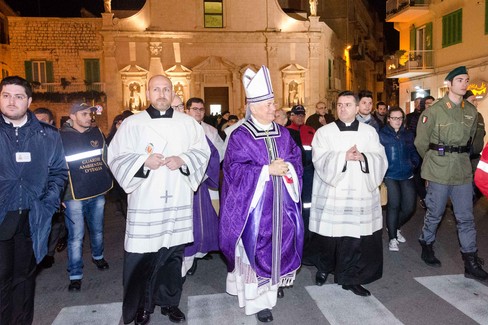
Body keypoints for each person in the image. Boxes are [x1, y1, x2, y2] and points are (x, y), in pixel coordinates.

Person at [108, 75, 210, 325]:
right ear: (147, 92)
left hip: (177, 198)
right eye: (156, 89)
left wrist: (183, 160)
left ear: (173, 91)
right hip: (146, 200)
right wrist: (143, 162)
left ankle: (169, 303)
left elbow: (202, 151)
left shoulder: (188, 124)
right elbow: (115, 157)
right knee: (142, 257)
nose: (161, 93)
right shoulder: (133, 124)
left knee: (173, 256)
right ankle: (142, 306)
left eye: (166, 89)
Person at [220, 65, 303, 323]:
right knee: (255, 250)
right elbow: (233, 170)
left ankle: (273, 287)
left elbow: (296, 161)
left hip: (282, 206)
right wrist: (266, 171)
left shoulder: (283, 134)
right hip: (254, 209)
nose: (273, 108)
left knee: (280, 245)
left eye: (273, 103)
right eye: (268, 104)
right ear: (253, 106)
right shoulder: (240, 136)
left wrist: (287, 168)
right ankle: (259, 303)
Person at [0, 76, 67, 324]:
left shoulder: (48, 135)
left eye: (18, 96)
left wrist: (48, 204)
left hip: (33, 218)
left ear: (28, 101)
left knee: (24, 280)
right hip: (2, 216)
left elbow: (59, 172)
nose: (11, 101)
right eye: (6, 95)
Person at [309, 90, 387, 296]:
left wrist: (363, 157)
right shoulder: (324, 132)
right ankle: (324, 269)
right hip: (333, 192)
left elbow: (380, 157)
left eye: (348, 105)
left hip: (359, 191)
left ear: (357, 107)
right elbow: (318, 159)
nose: (343, 109)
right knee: (329, 237)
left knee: (354, 238)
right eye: (340, 105)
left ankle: (350, 278)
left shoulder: (369, 132)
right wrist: (343, 157)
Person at [415, 66, 488, 280]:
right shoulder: (435, 111)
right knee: (435, 212)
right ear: (449, 83)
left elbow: (474, 142)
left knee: (465, 217)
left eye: (466, 80)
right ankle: (426, 242)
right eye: (460, 80)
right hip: (438, 168)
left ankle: (470, 261)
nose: (464, 84)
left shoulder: (471, 111)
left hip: (462, 169)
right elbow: (421, 143)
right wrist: (431, 163)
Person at [60, 102, 113, 292]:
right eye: (83, 114)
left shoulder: (96, 133)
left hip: (97, 191)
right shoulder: (60, 138)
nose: (89, 117)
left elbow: (107, 159)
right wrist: (58, 195)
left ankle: (98, 257)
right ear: (72, 116)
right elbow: (55, 169)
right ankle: (75, 274)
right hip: (73, 195)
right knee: (76, 237)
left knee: (97, 230)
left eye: (90, 114)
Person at [182, 97, 221, 276]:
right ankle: (186, 256)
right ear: (187, 110)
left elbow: (217, 155)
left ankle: (197, 253)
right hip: (182, 183)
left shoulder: (210, 130)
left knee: (204, 222)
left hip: (204, 182)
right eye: (195, 109)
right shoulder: (179, 128)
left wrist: (205, 174)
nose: (198, 112)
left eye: (201, 109)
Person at [379, 107, 420, 251]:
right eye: (394, 118)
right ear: (388, 119)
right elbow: (377, 155)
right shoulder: (381, 135)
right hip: (390, 175)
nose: (397, 121)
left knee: (409, 207)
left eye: (400, 118)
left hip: (407, 174)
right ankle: (392, 238)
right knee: (394, 205)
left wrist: (413, 163)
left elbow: (413, 151)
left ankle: (394, 227)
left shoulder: (408, 134)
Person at [33, 107, 68, 269]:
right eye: (36, 119)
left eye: (43, 120)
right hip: (33, 194)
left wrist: (58, 195)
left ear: (51, 122)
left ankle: (49, 253)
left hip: (54, 191)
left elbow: (61, 170)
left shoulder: (57, 140)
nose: (39, 123)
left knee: (54, 224)